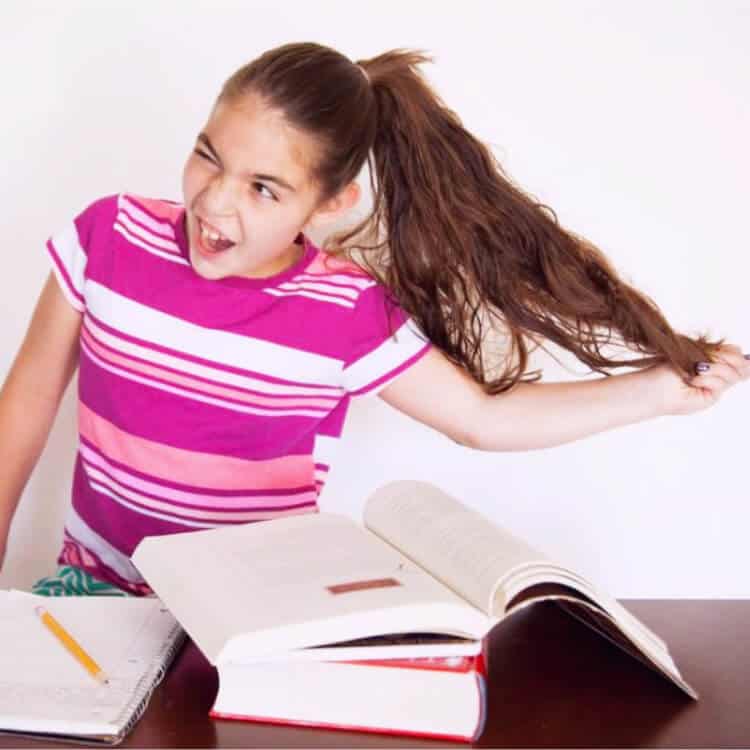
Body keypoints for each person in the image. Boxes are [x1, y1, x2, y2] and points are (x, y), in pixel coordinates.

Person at [0, 43, 747, 596]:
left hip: (251, 620)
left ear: (331, 206)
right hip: (93, 600)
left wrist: (655, 394)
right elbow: (23, 411)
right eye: (207, 156)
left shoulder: (345, 310)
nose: (215, 203)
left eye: (264, 188)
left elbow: (481, 421)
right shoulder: (108, 237)